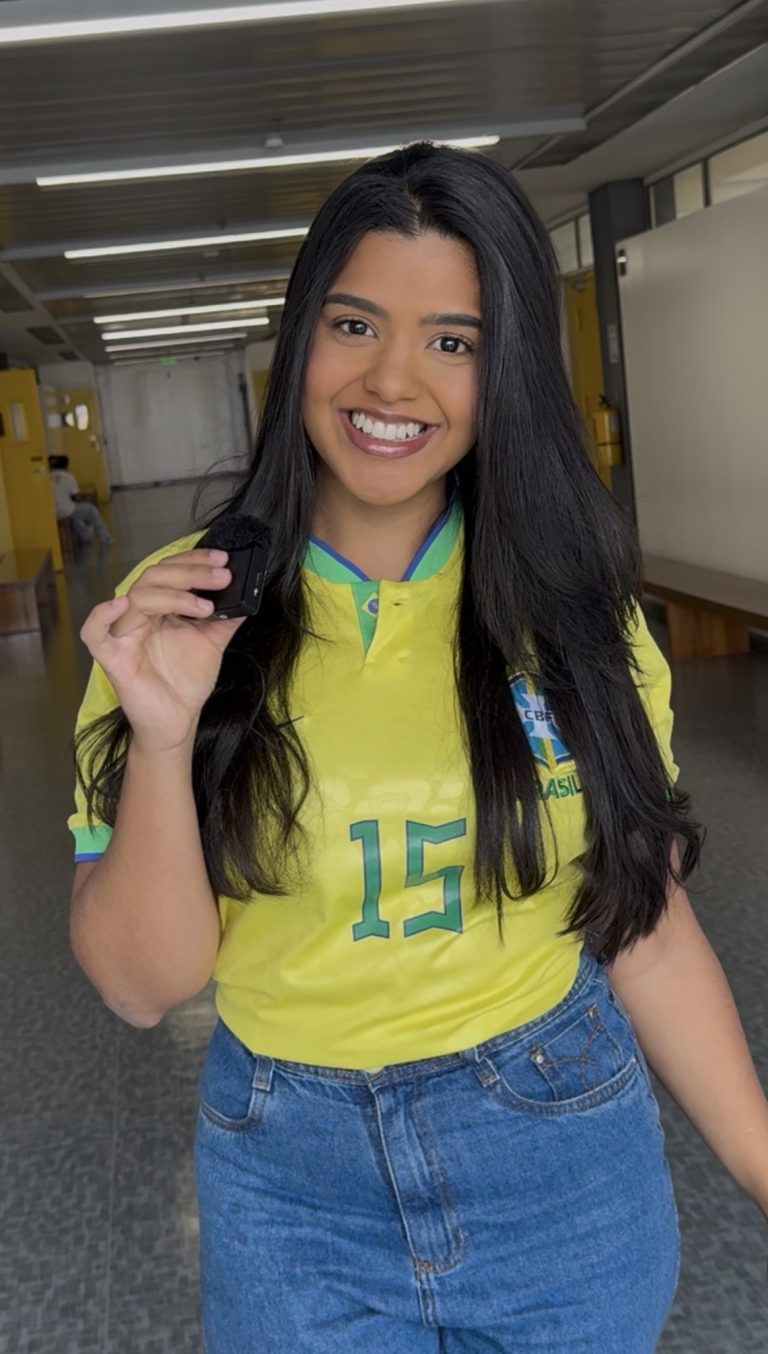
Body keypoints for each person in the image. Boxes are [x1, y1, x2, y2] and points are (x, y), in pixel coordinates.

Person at [66, 143, 768, 1353]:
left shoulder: (576, 611)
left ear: (508, 371)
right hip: (288, 1190)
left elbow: (644, 924)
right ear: (301, 335)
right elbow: (143, 986)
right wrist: (166, 739)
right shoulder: (176, 611)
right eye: (355, 324)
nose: (394, 378)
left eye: (454, 340)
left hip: (562, 1164)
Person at [48, 454, 112, 544]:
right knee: (90, 510)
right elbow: (76, 496)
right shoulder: (68, 477)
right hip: (66, 510)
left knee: (76, 515)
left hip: (51, 513)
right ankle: (105, 537)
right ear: (66, 465)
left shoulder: (47, 477)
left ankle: (86, 535)